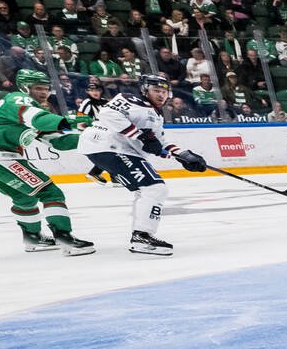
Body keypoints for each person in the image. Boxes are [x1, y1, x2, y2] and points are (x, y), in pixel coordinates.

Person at [0, 68, 94, 255]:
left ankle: (32, 237)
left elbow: (59, 142)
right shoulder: (17, 99)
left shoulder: (34, 111)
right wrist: (69, 121)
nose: (43, 92)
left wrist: (95, 137)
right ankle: (65, 239)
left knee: (24, 197)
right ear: (25, 87)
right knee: (50, 192)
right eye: (38, 88)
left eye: (46, 88)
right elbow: (41, 120)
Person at [78, 73, 208, 255]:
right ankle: (141, 237)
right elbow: (108, 114)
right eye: (156, 90)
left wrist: (184, 156)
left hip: (118, 149)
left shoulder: (156, 115)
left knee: (146, 191)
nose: (161, 95)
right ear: (145, 90)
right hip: (108, 145)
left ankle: (141, 235)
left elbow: (158, 144)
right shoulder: (130, 99)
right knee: (155, 189)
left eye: (164, 91)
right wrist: (139, 135)